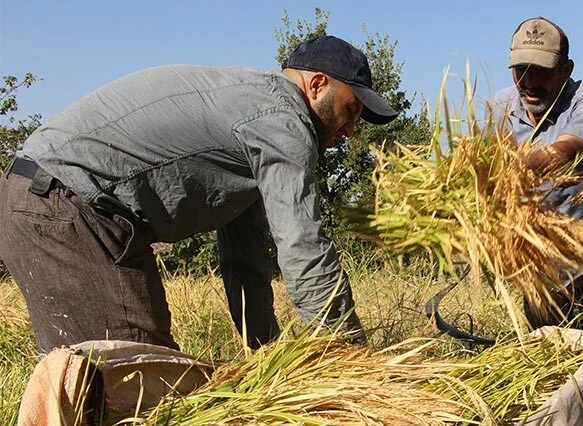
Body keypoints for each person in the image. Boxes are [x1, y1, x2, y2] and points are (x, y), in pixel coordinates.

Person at [0, 35, 397, 355]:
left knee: (136, 376)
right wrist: (350, 357)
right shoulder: (283, 119)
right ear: (316, 85)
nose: (350, 131)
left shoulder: (256, 119)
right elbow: (304, 248)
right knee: (138, 388)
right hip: (63, 206)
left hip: (60, 204)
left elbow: (247, 261)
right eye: (352, 111)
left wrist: (267, 358)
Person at [491, 17, 583, 337]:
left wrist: (507, 170)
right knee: (549, 355)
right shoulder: (499, 108)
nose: (529, 80)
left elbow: (563, 153)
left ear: (566, 70)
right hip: (539, 266)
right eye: (520, 68)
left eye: (542, 70)